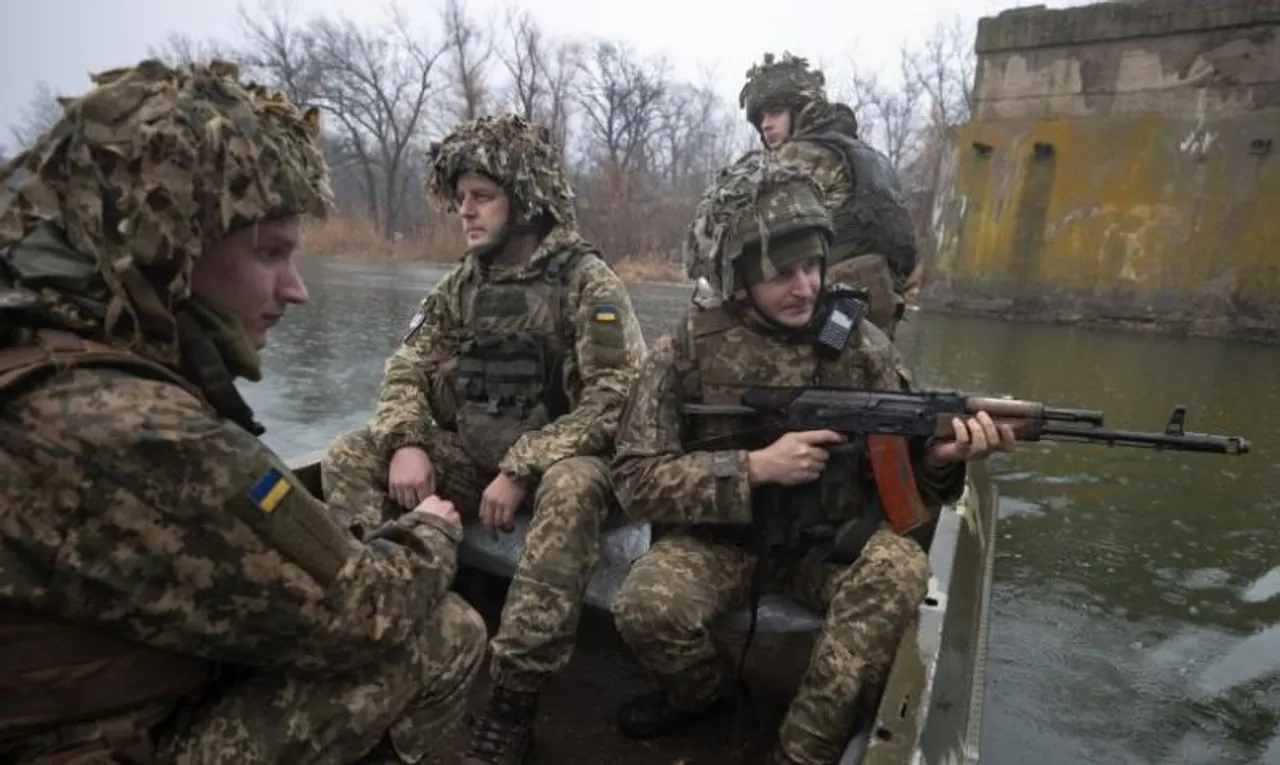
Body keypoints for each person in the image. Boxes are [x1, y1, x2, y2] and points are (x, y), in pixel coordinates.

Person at [0, 59, 487, 765]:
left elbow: (602, 403)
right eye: (269, 253)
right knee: (444, 626)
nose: (297, 291)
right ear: (168, 246)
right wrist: (427, 525)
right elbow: (362, 611)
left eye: (482, 196)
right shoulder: (135, 425)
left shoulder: (39, 354)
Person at [607, 152, 1015, 765]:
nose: (805, 287)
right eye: (783, 273)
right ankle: (703, 694)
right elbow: (634, 480)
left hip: (824, 547)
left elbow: (912, 492)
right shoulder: (684, 352)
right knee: (645, 606)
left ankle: (803, 750)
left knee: (899, 569)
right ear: (741, 276)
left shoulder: (861, 347)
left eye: (813, 267)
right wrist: (753, 469)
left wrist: (943, 459)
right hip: (719, 546)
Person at [320, 113, 647, 765]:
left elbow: (617, 397)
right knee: (352, 451)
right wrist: (410, 440)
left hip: (560, 472)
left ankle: (511, 702)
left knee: (577, 482)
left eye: (482, 197)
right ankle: (374, 619)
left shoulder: (587, 283)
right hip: (477, 459)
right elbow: (405, 367)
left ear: (523, 202)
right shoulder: (463, 285)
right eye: (461, 197)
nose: (465, 212)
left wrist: (525, 464)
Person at [739, 51, 919, 337]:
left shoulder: (798, 155)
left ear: (798, 111)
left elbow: (753, 228)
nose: (765, 124)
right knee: (852, 369)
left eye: (774, 113)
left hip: (828, 296)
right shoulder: (865, 156)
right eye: (761, 117)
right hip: (874, 299)